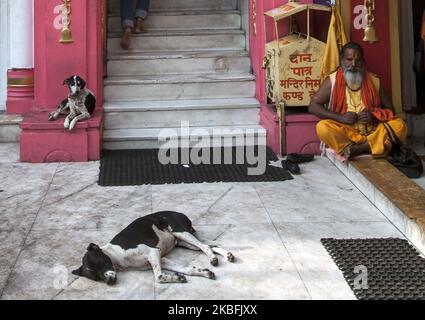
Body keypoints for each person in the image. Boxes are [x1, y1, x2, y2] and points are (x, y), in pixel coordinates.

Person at [308, 42, 407, 160]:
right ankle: (372, 145)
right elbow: (313, 106)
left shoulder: (374, 80)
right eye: (349, 59)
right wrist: (341, 117)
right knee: (322, 127)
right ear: (342, 61)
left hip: (372, 130)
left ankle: (359, 148)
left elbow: (391, 109)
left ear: (362, 62)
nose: (353, 64)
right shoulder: (332, 81)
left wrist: (373, 116)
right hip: (347, 132)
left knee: (400, 125)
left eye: (357, 60)